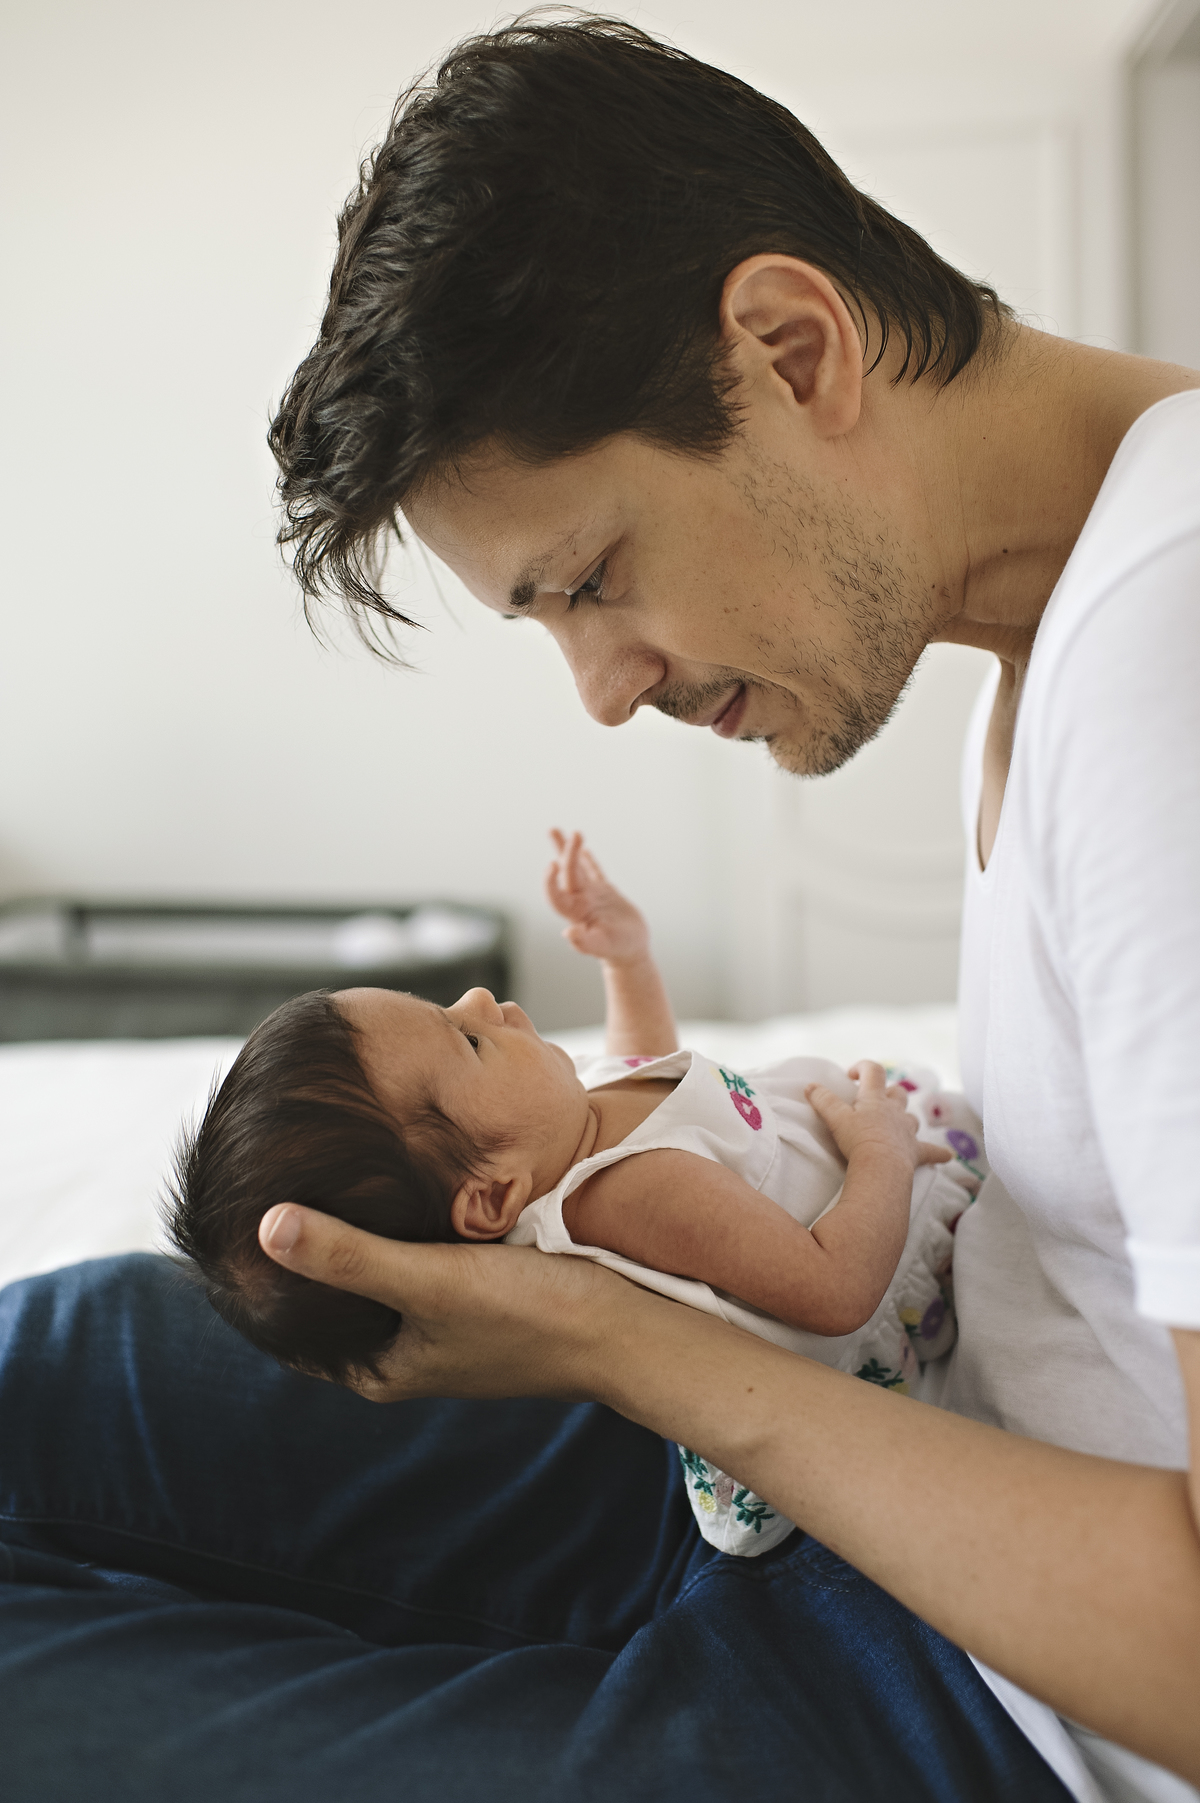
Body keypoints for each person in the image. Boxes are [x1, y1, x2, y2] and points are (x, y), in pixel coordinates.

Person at [3, 16, 1198, 1803]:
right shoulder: (1073, 612)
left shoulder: (1171, 672)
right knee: (60, 1365)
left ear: (793, 351)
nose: (603, 690)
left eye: (592, 580)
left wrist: (610, 1337)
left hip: (984, 1702)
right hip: (843, 1449)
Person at [165, 828, 970, 1554]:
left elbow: (637, 1076)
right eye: (470, 1041)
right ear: (490, 1198)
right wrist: (881, 1155)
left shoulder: (572, 1146)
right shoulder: (634, 1193)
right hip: (879, 1260)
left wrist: (626, 962)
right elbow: (835, 1289)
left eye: (446, 1008)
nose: (479, 998)